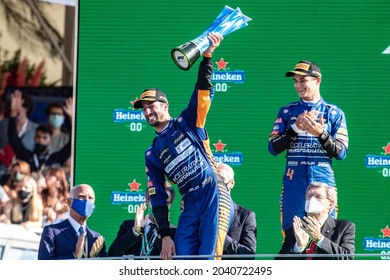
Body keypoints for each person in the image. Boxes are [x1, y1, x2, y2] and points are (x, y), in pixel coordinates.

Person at [133, 32, 232, 260]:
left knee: (208, 261)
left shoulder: (188, 121)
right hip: (189, 203)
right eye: (144, 108)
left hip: (213, 192)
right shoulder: (152, 153)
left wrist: (207, 57)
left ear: (165, 105)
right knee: (183, 263)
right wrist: (165, 235)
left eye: (152, 105)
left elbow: (202, 92)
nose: (148, 111)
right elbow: (157, 195)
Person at [268, 60, 349, 233]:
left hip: (323, 180)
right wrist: (295, 128)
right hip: (293, 181)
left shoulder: (334, 113)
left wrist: (321, 134)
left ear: (317, 80)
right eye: (295, 81)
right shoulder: (286, 111)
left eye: (303, 80)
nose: (298, 85)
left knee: (324, 233)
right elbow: (273, 148)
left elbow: (341, 152)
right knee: (292, 234)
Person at [274, 181, 355, 260]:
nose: (312, 199)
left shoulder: (344, 227)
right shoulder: (295, 229)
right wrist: (298, 248)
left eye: (318, 197)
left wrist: (320, 239)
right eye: (309, 196)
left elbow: (347, 258)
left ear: (330, 204)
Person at [8, 90, 72, 175]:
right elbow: (13, 139)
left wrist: (72, 118)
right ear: (34, 139)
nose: (41, 140)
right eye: (38, 137)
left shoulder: (57, 157)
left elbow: (73, 142)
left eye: (44, 138)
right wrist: (13, 113)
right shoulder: (27, 156)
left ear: (50, 140)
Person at [38, 183, 107, 259]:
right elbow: (44, 265)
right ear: (70, 202)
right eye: (82, 197)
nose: (87, 201)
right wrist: (75, 255)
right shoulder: (52, 231)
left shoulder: (97, 239)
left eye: (90, 198)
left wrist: (92, 258)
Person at [108, 183, 176, 259]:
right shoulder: (128, 226)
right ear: (147, 200)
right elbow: (112, 254)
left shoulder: (174, 233)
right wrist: (136, 231)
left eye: (166, 203)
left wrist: (163, 230)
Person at [217, 162, 257, 259]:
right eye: (214, 179)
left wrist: (220, 236)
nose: (217, 184)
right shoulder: (199, 212)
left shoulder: (245, 216)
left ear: (231, 183)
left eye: (221, 179)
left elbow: (249, 254)